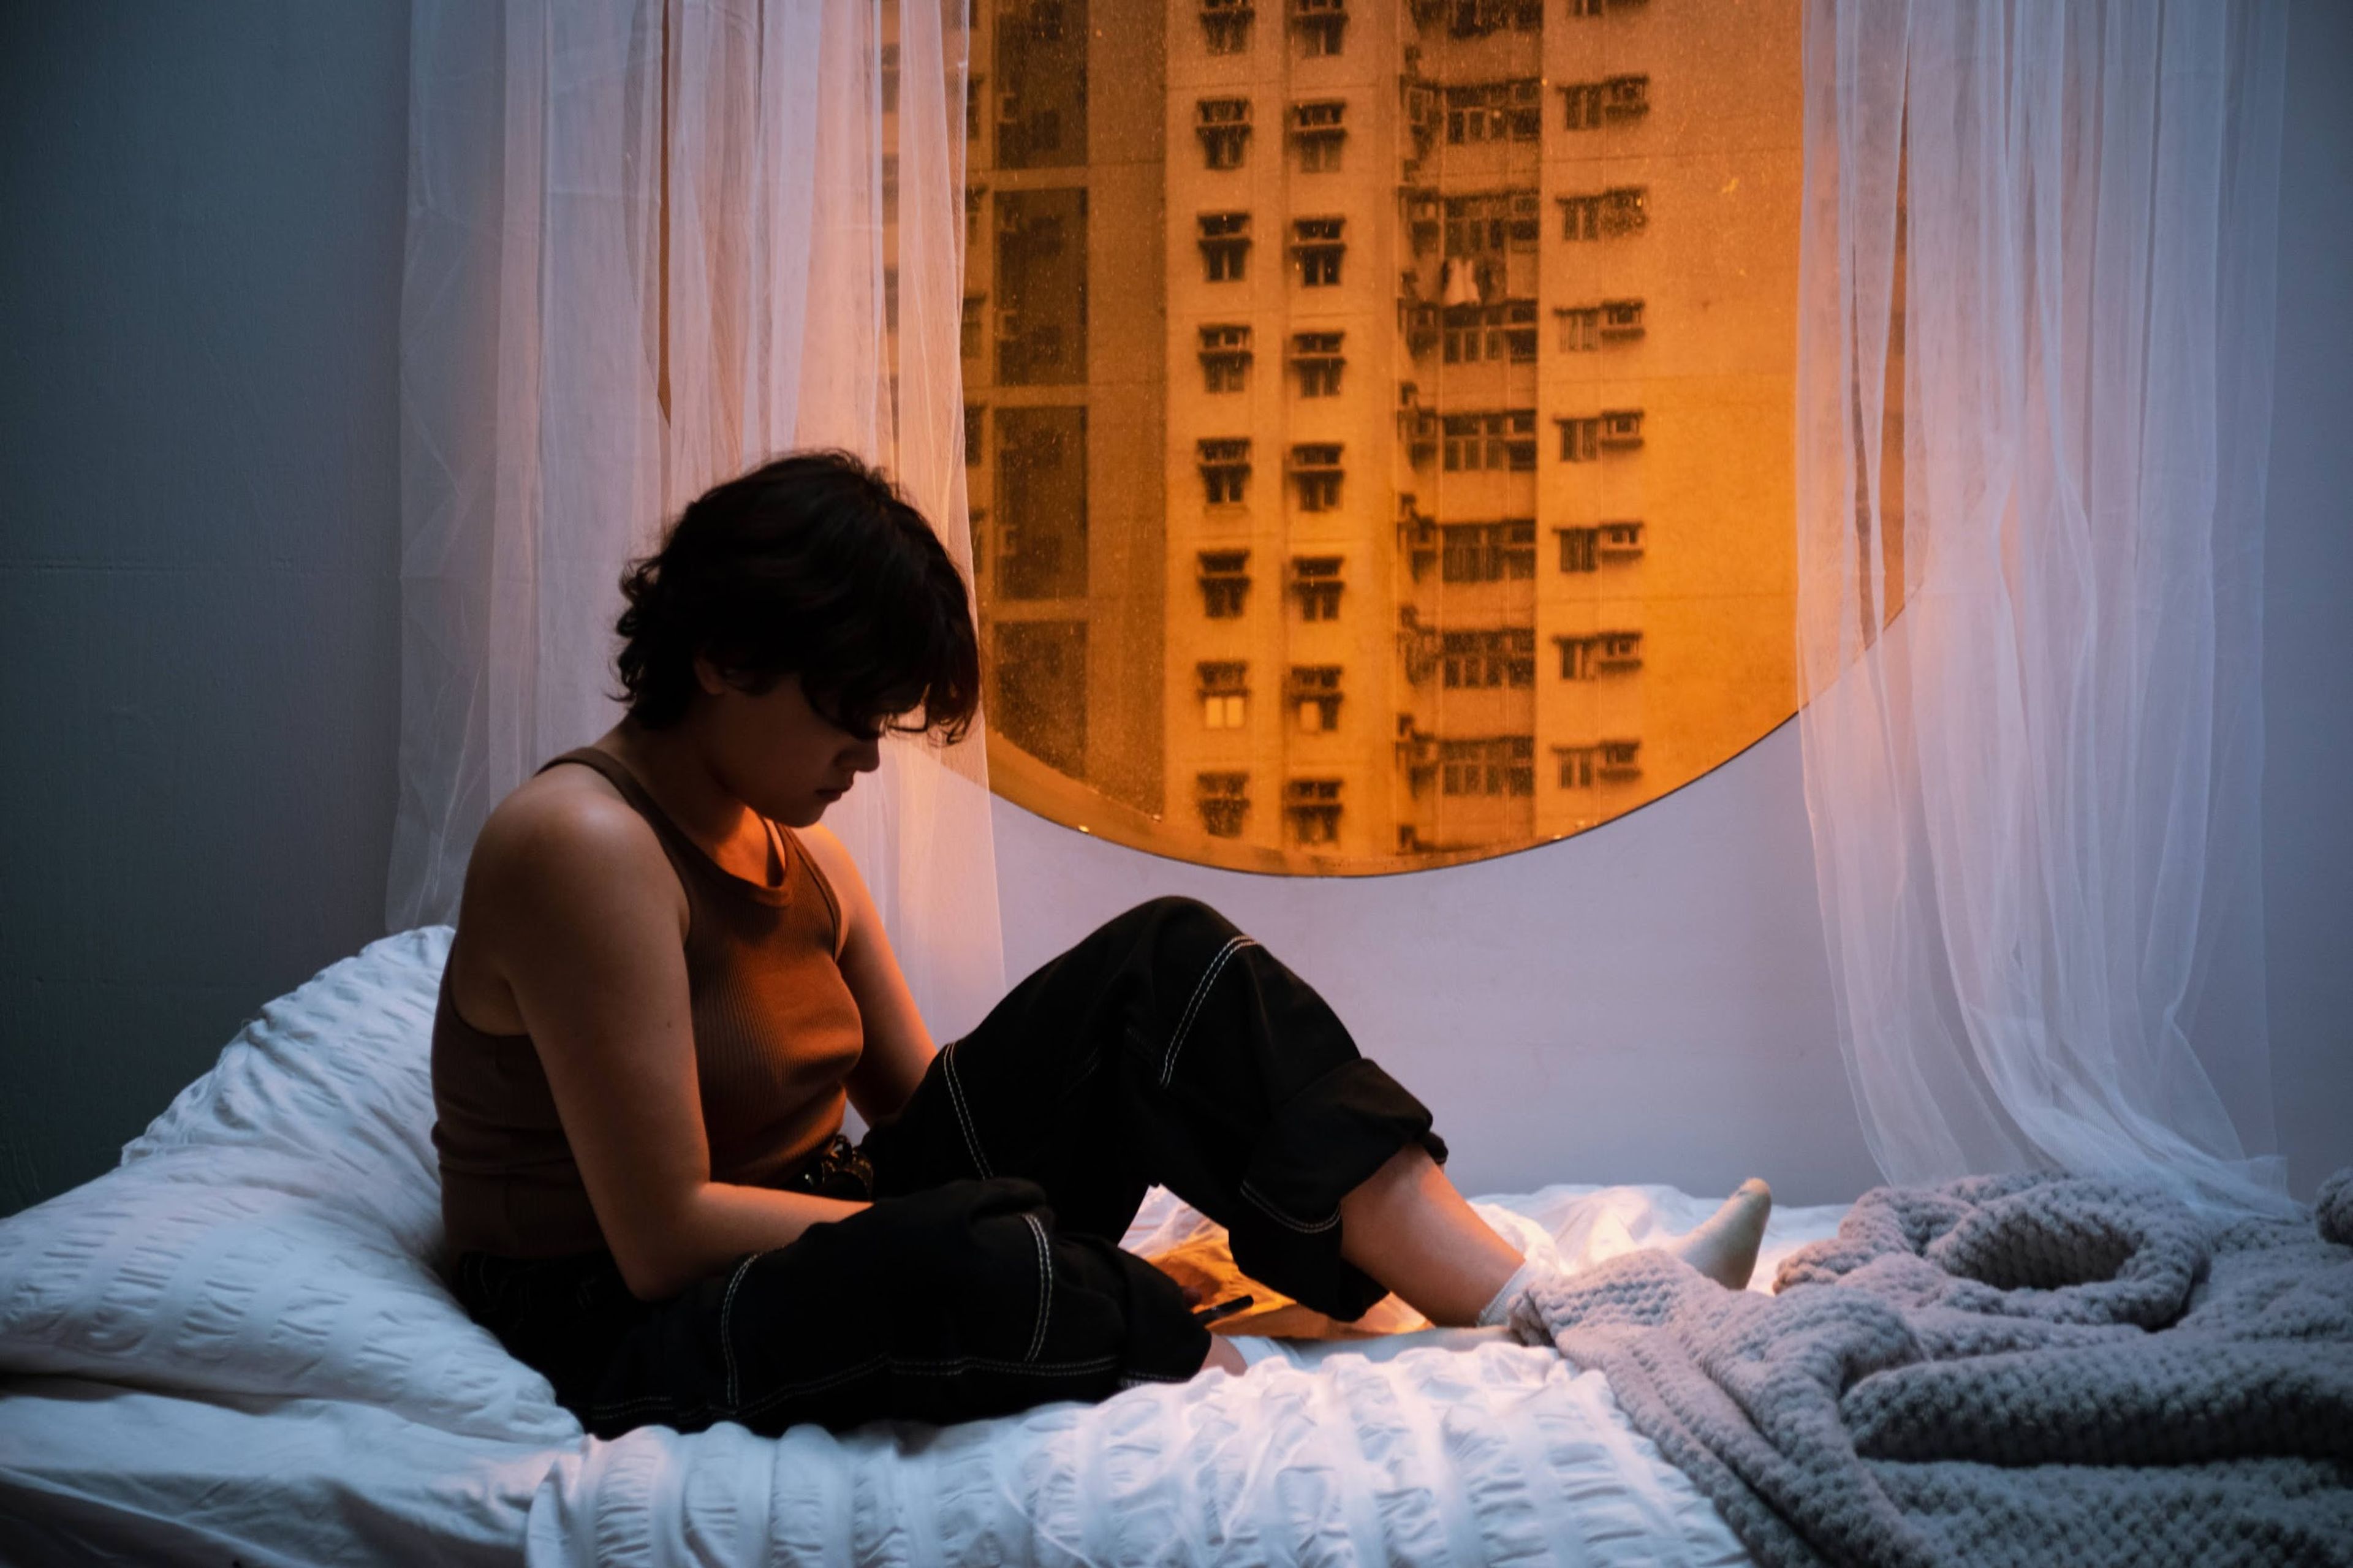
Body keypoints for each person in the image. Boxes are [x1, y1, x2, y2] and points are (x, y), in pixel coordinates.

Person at [430, 450, 1773, 1437]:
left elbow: (930, 1112)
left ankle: (1538, 1307)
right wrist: (981, 1221)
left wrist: (1099, 1134)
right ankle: (1169, 1318)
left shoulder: (805, 857)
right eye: (852, 711)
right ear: (722, 656)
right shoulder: (584, 845)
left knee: (1167, 963)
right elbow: (663, 1234)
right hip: (635, 1311)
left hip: (833, 1211)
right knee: (969, 1254)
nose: (865, 756)